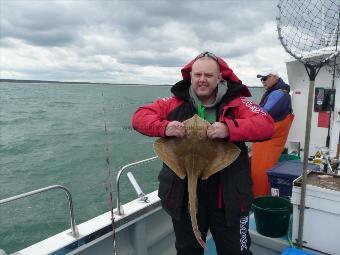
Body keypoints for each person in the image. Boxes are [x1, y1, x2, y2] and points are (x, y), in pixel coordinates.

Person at [132, 52, 274, 255]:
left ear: (219, 78)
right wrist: (165, 127)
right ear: (190, 77)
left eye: (208, 75)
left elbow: (266, 124)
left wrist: (229, 128)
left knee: (237, 251)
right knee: (187, 250)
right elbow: (140, 116)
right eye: (197, 74)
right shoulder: (173, 103)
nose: (202, 79)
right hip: (184, 194)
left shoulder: (239, 103)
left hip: (229, 197)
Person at [251, 71, 294, 197]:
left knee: (261, 174)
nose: (263, 81)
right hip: (265, 142)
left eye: (265, 78)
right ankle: (261, 197)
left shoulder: (279, 94)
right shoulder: (276, 92)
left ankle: (260, 200)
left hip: (268, 142)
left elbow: (263, 113)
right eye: (261, 79)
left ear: (275, 77)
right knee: (260, 173)